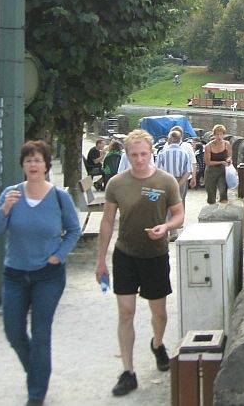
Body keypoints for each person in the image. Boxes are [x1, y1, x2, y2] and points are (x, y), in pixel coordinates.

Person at [0, 140, 81, 406]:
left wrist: (59, 255)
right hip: (15, 275)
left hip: (47, 276)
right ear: (23, 166)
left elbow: (73, 230)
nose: (33, 164)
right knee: (13, 332)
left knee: (41, 334)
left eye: (38, 160)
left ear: (46, 165)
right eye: (28, 160)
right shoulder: (11, 195)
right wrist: (4, 210)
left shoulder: (58, 197)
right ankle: (36, 372)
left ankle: (36, 394)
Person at [95, 129, 184, 397]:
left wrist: (166, 226)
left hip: (155, 255)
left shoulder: (165, 181)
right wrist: (101, 260)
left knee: (159, 313)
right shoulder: (117, 184)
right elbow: (108, 221)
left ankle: (157, 344)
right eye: (134, 155)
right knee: (126, 312)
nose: (139, 159)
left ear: (150, 152)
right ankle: (128, 371)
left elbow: (179, 215)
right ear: (127, 155)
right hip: (125, 254)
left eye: (143, 154)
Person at [155, 130, 192, 241]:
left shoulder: (162, 153)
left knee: (165, 205)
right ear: (180, 140)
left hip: (165, 180)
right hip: (181, 180)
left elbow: (157, 170)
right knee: (176, 205)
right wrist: (180, 183)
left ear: (169, 140)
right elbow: (188, 171)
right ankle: (173, 230)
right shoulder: (184, 153)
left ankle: (167, 231)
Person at [204, 124, 232, 204]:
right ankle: (211, 212)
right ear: (214, 135)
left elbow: (229, 156)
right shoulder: (208, 146)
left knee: (223, 191)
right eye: (217, 134)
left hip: (222, 171)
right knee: (211, 196)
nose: (219, 137)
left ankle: (223, 212)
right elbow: (207, 162)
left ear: (223, 135)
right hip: (211, 172)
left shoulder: (227, 144)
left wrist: (228, 160)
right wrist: (221, 162)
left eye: (221, 134)